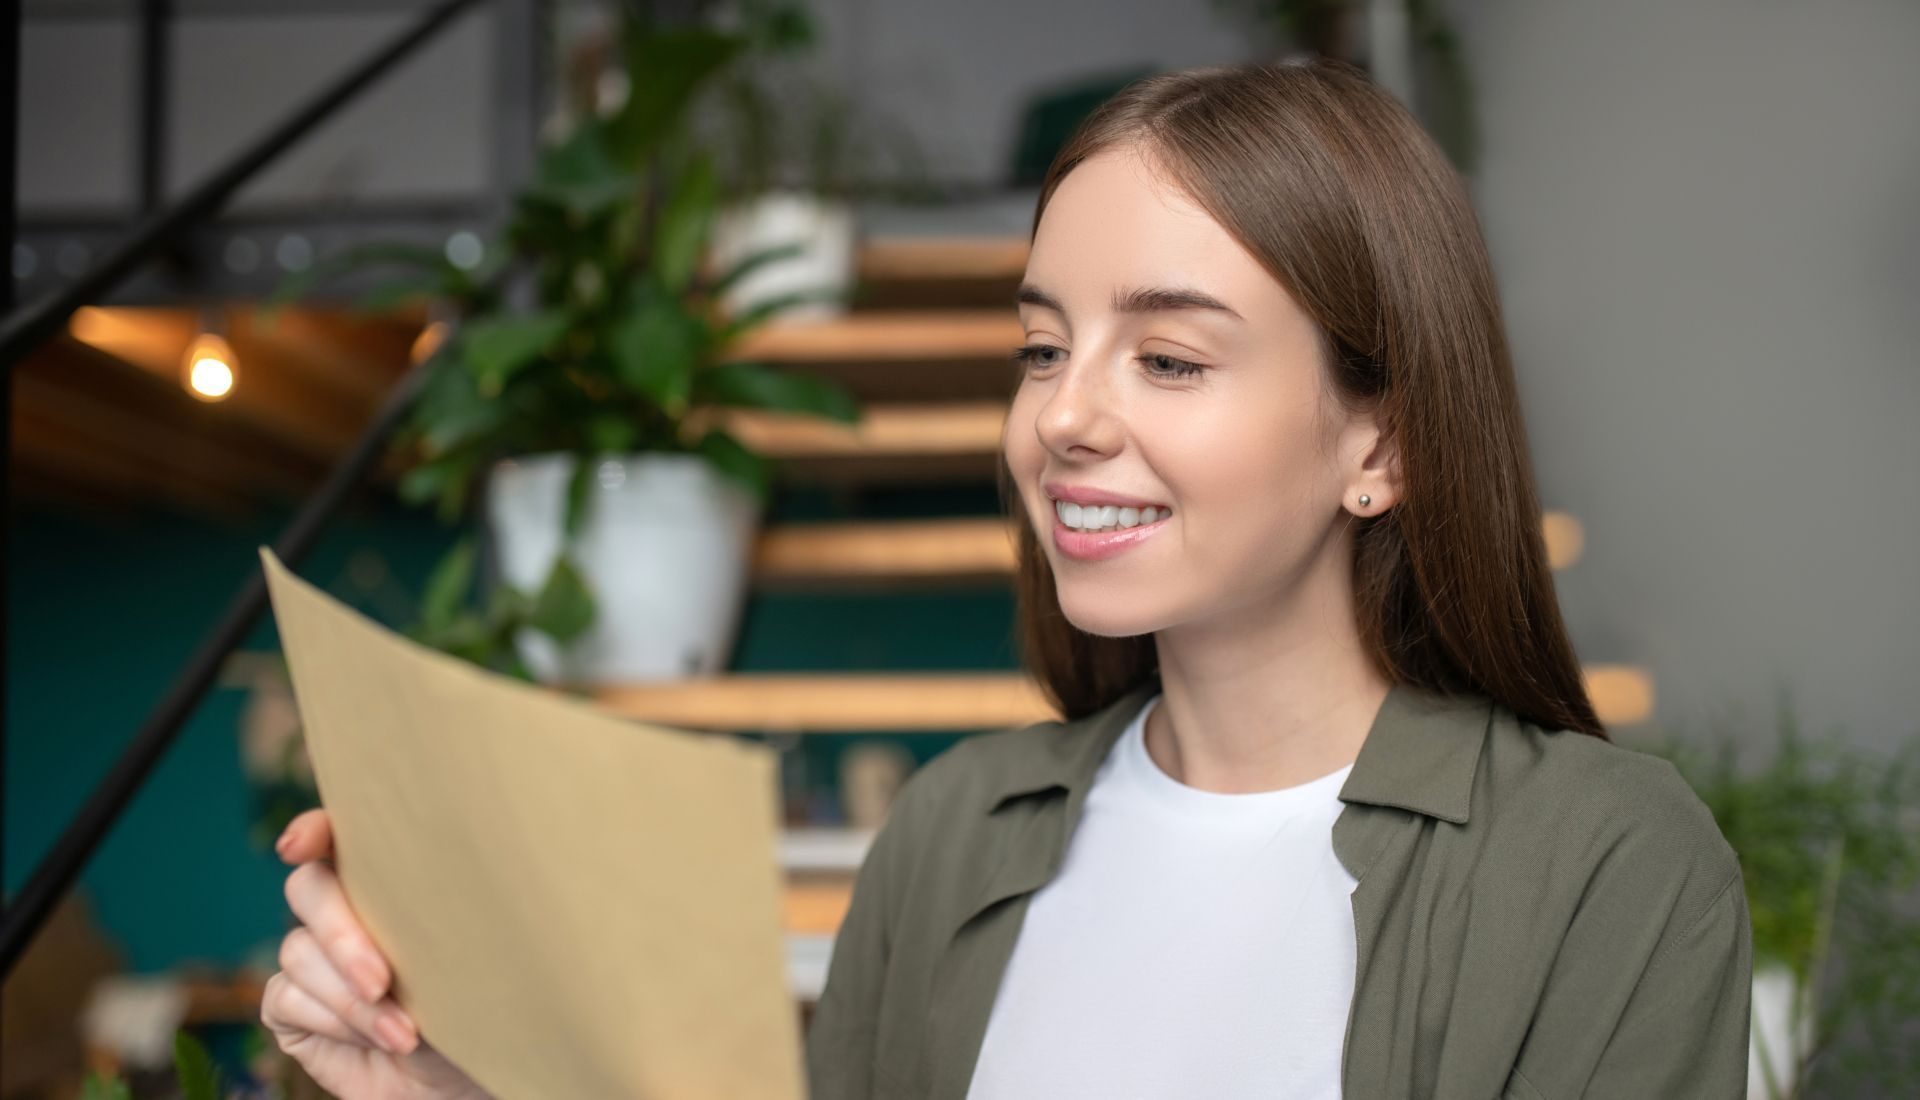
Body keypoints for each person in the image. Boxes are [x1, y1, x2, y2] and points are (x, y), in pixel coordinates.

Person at [262, 57, 1752, 1099]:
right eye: (1044, 347)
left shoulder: (1604, 867)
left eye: (1168, 356)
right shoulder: (954, 834)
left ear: (1385, 444)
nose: (1066, 418)